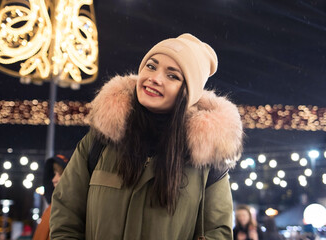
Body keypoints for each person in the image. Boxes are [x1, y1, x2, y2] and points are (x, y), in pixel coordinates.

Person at [50, 33, 243, 239]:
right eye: (151, 66)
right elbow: (66, 215)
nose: (155, 78)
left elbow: (218, 233)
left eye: (172, 76)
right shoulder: (102, 139)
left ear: (189, 93)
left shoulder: (206, 160)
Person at [32, 154, 69, 240]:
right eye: (54, 174)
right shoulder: (52, 208)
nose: (54, 179)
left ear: (70, 178)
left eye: (60, 174)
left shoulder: (67, 211)